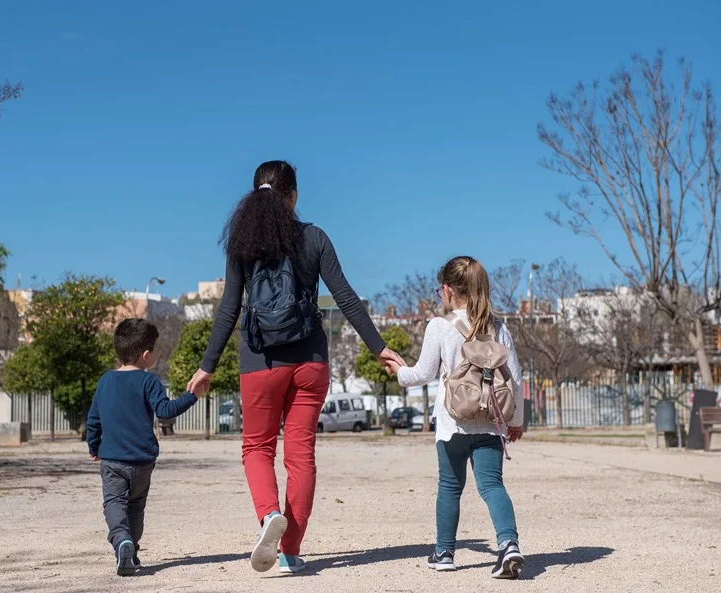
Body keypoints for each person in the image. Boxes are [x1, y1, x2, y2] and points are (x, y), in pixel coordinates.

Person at [186, 160, 405, 575]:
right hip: (311, 363)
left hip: (260, 363)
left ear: (254, 196)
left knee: (257, 448)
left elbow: (229, 309)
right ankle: (290, 552)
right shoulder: (314, 238)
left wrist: (206, 366)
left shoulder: (241, 244)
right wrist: (378, 347)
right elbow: (345, 296)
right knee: (301, 455)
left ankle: (269, 515)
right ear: (294, 195)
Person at [384, 256, 525, 579]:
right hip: (490, 422)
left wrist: (398, 371)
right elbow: (515, 379)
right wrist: (514, 421)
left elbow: (423, 373)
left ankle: (444, 552)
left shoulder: (440, 326)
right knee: (491, 485)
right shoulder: (499, 326)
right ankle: (508, 544)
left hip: (452, 423)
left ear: (447, 290)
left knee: (450, 486)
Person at [87, 318, 204, 577]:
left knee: (114, 503)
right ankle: (132, 549)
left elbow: (93, 419)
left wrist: (93, 446)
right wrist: (192, 396)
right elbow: (165, 411)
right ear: (146, 355)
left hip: (112, 460)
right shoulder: (149, 382)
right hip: (142, 461)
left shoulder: (105, 381)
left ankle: (122, 542)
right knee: (136, 506)